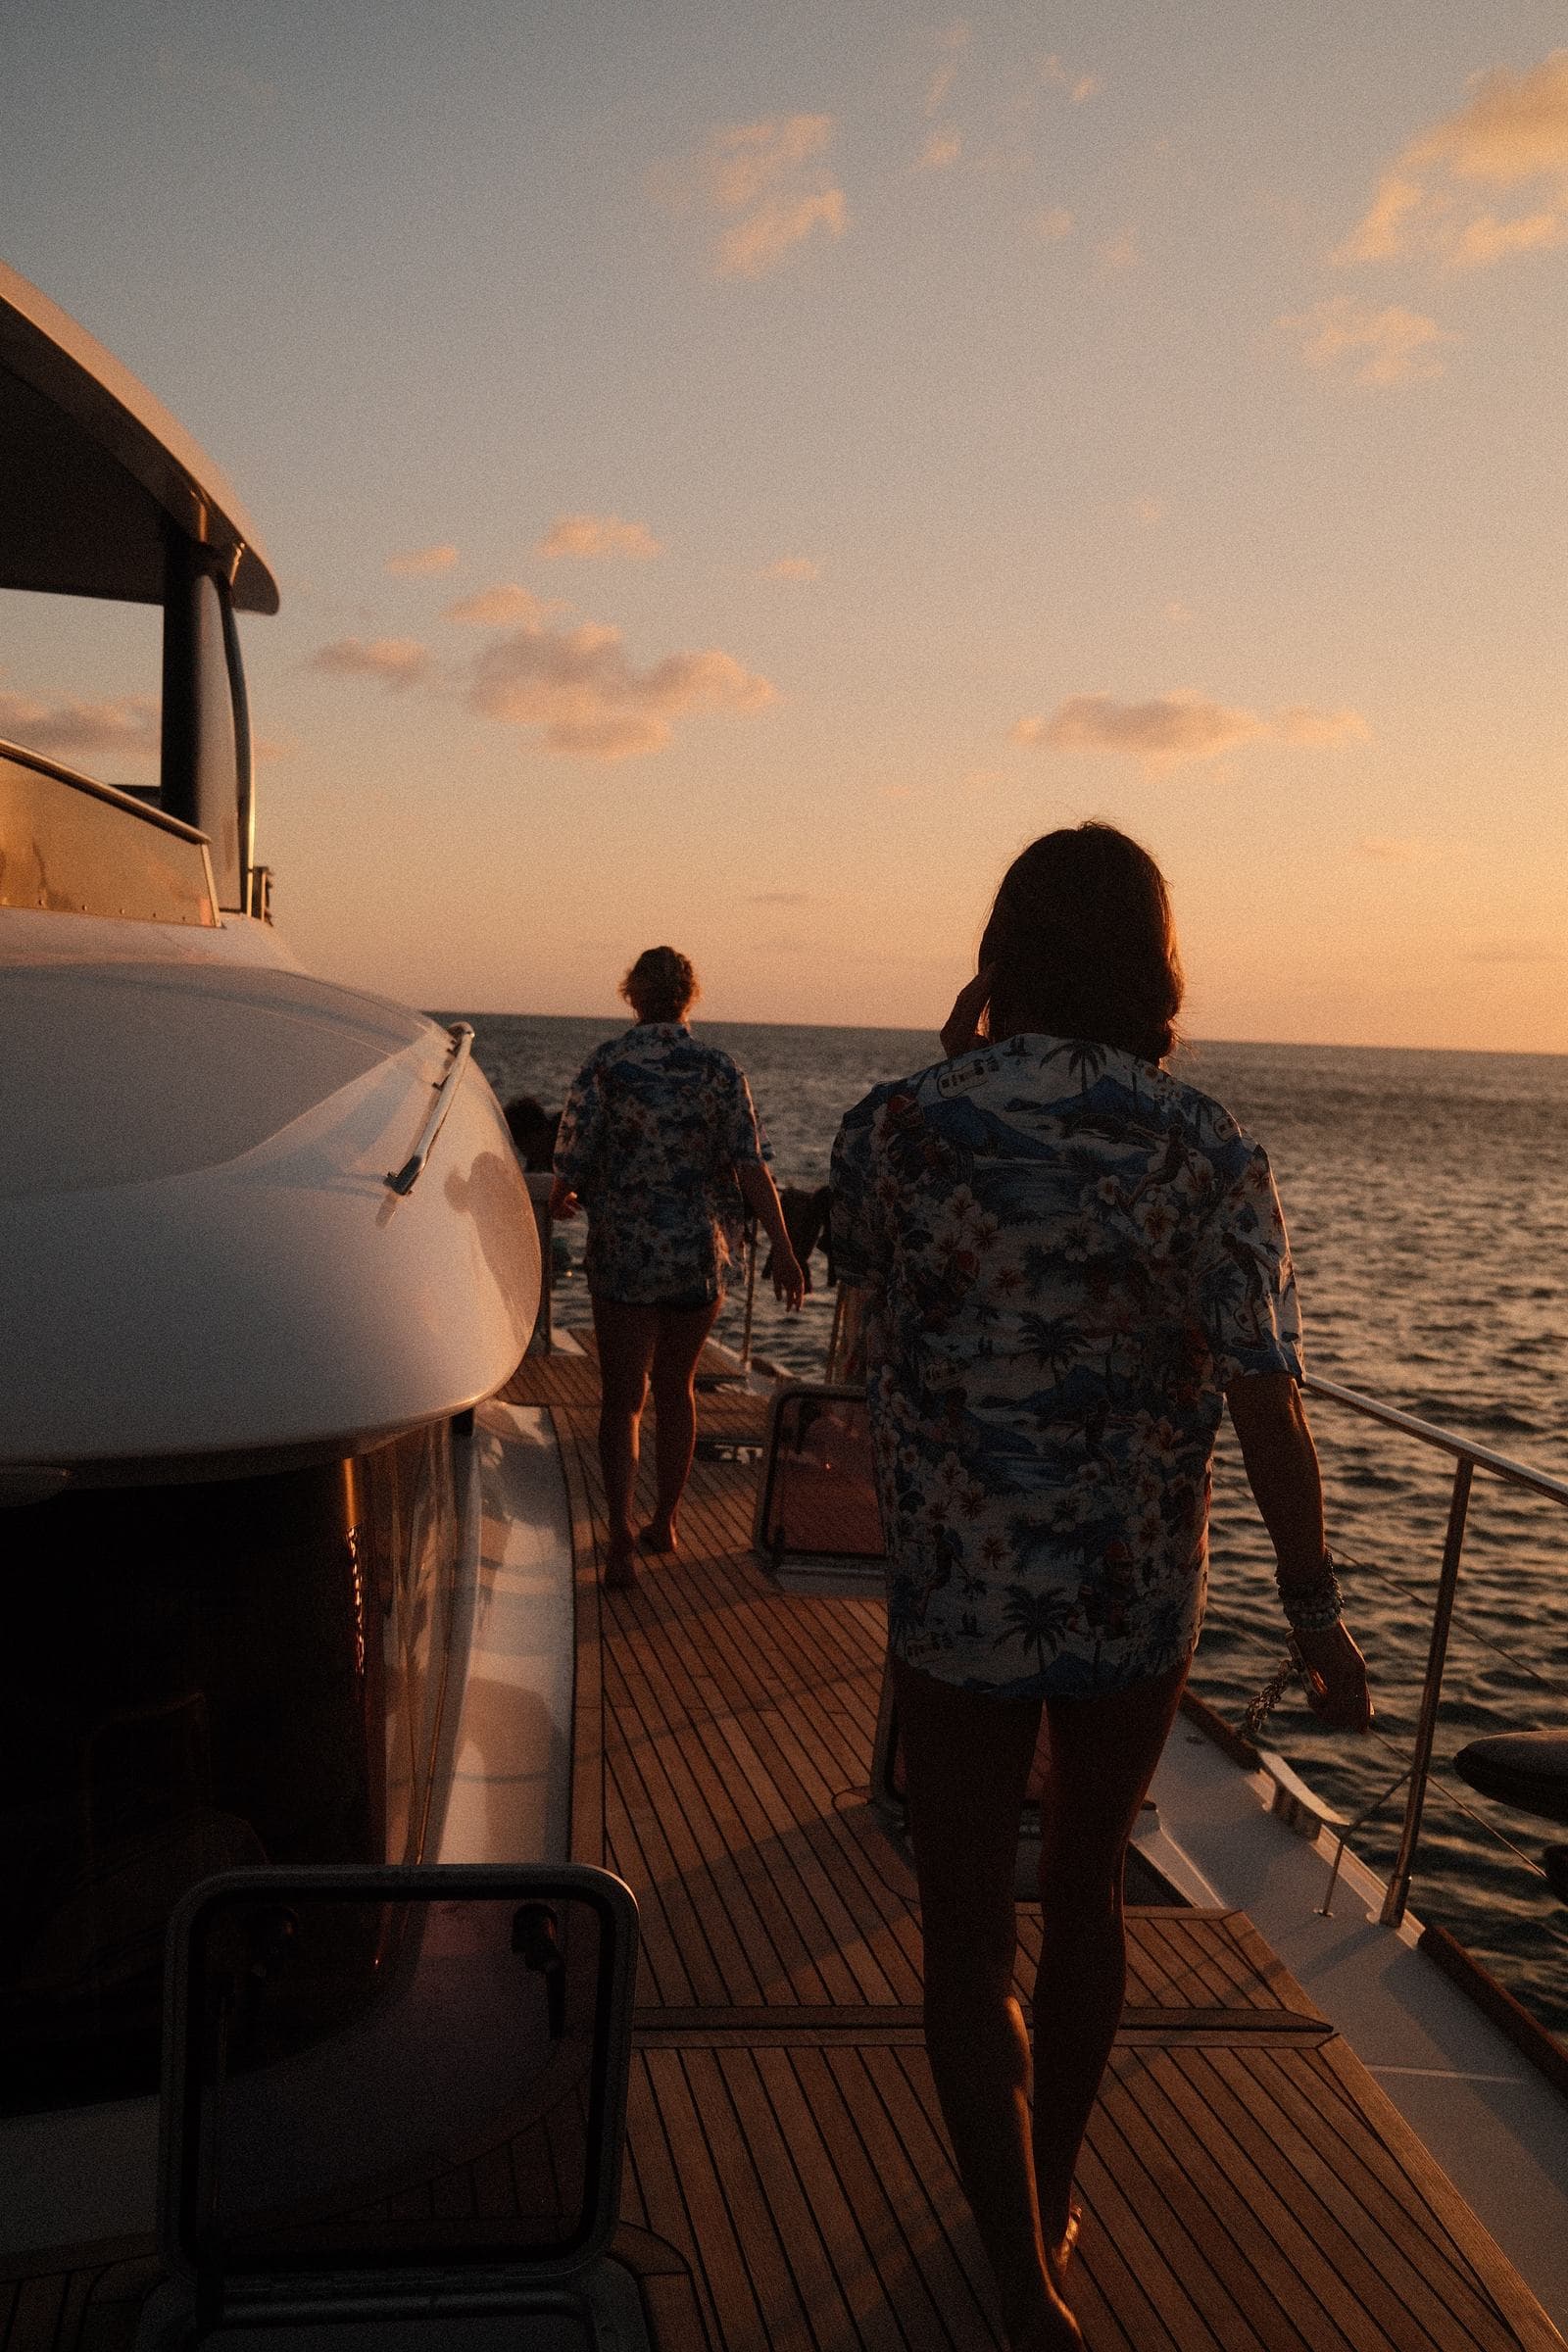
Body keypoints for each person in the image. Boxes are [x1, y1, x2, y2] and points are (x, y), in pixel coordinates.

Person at [829, 823, 1372, 2351]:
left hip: (960, 1584)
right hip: (1132, 1588)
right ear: (1153, 959)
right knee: (1084, 1889)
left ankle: (1017, 2272)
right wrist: (1317, 1615)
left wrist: (952, 1071)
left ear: (1001, 952)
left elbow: (865, 1279)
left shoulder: (897, 1125)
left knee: (963, 1930)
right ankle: (1053, 2191)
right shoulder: (1207, 1146)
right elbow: (1266, 1398)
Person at [552, 946, 806, 1588]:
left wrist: (562, 1193)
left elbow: (575, 1153)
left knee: (623, 1400)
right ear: (690, 996)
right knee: (676, 1388)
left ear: (632, 994)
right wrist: (785, 1248)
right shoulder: (720, 1069)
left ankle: (618, 1536)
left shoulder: (607, 1064)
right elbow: (751, 1165)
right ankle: (665, 1521)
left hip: (625, 1253)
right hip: (697, 1253)